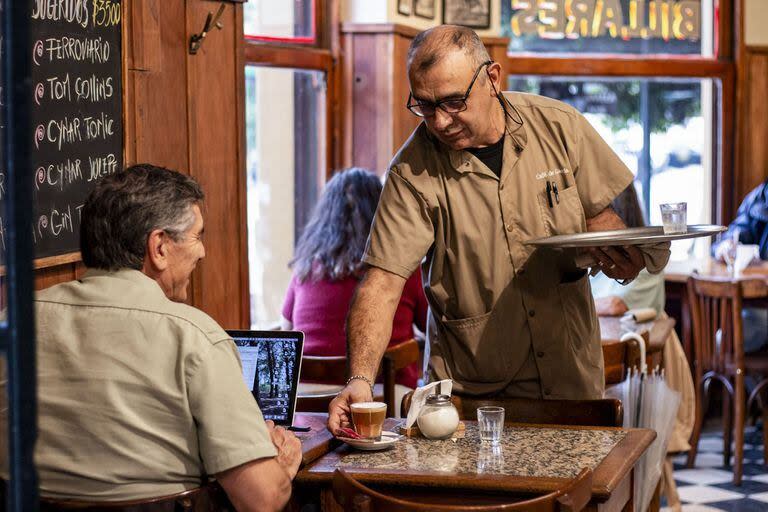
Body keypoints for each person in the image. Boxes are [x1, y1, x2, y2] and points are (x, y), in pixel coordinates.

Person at [328, 25, 669, 434]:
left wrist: (620, 255)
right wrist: (360, 380)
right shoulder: (412, 171)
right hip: (467, 398)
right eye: (424, 105)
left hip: (570, 378)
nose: (440, 120)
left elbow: (601, 218)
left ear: (492, 78)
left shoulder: (560, 127)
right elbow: (382, 282)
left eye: (454, 102)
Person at [0, 165, 301, 510]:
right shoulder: (195, 338)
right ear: (158, 246)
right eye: (197, 236)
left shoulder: (15, 322)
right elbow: (261, 499)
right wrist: (279, 464)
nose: (202, 252)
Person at [281, 168, 427, 388]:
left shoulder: (305, 269)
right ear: (383, 215)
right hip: (381, 398)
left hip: (308, 398)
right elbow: (431, 326)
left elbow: (287, 331)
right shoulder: (399, 269)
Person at [712, 177, 768, 352]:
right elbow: (736, 233)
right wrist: (725, 246)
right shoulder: (761, 197)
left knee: (728, 338)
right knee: (726, 337)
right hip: (754, 304)